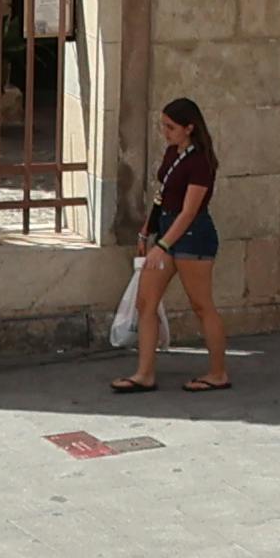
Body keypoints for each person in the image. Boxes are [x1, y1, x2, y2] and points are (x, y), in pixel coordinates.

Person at [116, 92, 230, 393]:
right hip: (167, 231)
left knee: (202, 305)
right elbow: (161, 195)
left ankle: (218, 372)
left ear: (189, 128)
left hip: (192, 237)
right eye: (163, 126)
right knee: (146, 302)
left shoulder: (201, 163)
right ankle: (144, 373)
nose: (165, 132)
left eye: (170, 127)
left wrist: (162, 245)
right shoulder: (172, 153)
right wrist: (146, 231)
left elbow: (190, 210)